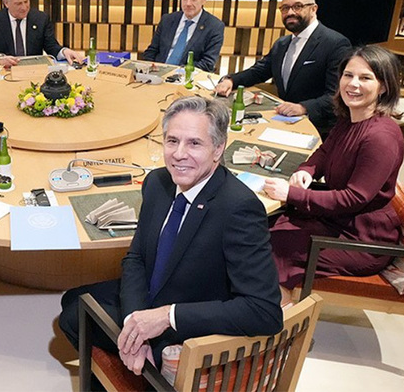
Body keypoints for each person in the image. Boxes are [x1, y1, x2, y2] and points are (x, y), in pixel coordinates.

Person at [59, 96, 282, 374]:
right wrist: (135, 326)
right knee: (73, 299)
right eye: (172, 141)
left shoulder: (239, 208)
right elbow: (136, 258)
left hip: (190, 327)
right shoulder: (157, 182)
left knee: (73, 317)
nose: (179, 154)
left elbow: (264, 311)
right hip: (154, 294)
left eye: (194, 143)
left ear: (218, 148)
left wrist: (167, 316)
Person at [262, 45, 404, 306]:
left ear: (384, 86)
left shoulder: (380, 137)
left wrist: (292, 194)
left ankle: (280, 318)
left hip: (362, 239)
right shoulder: (351, 119)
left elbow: (354, 198)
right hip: (338, 220)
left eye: (365, 78)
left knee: (271, 246)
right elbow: (325, 152)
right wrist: (306, 170)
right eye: (348, 75)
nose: (353, 84)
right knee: (260, 229)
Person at [215, 0, 351, 138]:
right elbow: (259, 71)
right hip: (282, 121)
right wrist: (231, 80)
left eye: (298, 6)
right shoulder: (282, 43)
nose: (290, 12)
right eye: (285, 8)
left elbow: (337, 94)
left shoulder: (335, 43)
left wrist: (303, 107)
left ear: (313, 9)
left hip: (317, 128)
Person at [141, 0, 224, 72]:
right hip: (157, 73)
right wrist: (149, 69)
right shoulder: (167, 20)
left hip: (187, 76)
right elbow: (151, 51)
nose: (188, 3)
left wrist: (178, 72)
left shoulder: (215, 26)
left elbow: (207, 63)